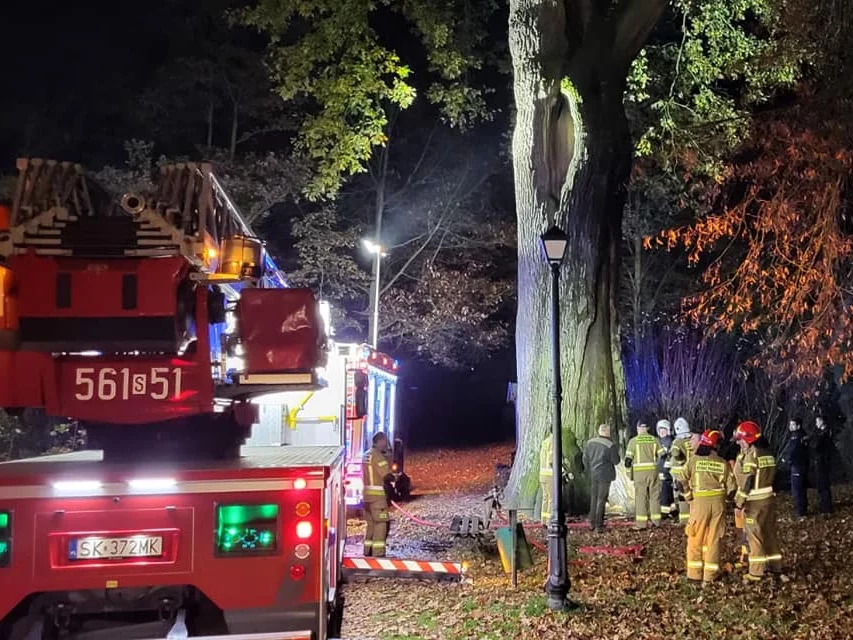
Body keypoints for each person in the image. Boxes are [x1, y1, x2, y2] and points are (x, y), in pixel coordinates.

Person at [682, 429, 736, 584]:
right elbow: (732, 489)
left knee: (695, 538)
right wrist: (730, 503)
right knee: (714, 539)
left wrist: (688, 496)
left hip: (700, 504)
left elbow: (681, 480)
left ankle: (694, 575)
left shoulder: (694, 460)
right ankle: (709, 577)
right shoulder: (722, 462)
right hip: (718, 505)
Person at [734, 420, 783, 582]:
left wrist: (739, 502)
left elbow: (748, 480)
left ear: (748, 439)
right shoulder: (767, 453)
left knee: (754, 536)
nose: (739, 442)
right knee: (769, 533)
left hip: (754, 502)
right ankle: (776, 566)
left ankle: (756, 572)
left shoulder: (752, 455)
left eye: (741, 439)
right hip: (769, 500)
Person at [625, 420, 665, 529]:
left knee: (641, 498)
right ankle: (656, 522)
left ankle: (642, 524)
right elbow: (663, 455)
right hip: (653, 472)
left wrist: (629, 474)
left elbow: (628, 461)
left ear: (638, 428)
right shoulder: (655, 440)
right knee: (654, 497)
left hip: (639, 473)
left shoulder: (633, 441)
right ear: (647, 428)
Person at [582, 424, 621, 531]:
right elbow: (616, 461)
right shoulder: (610, 445)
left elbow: (585, 459)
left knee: (594, 498)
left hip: (593, 474)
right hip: (605, 475)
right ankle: (599, 525)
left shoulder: (590, 443)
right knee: (601, 499)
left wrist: (588, 469)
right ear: (607, 432)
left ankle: (591, 522)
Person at [362, 432, 392, 557]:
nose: (386, 444)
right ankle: (378, 553)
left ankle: (367, 551)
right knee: (381, 523)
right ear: (379, 441)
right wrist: (395, 479)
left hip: (366, 497)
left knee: (371, 525)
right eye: (385, 442)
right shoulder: (378, 456)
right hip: (377, 497)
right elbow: (386, 476)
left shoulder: (366, 454)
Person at [780, 418, 809, 517]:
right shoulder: (803, 435)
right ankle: (802, 510)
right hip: (803, 465)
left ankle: (800, 512)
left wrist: (785, 459)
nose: (790, 427)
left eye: (793, 425)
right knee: (802, 489)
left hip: (797, 465)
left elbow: (792, 451)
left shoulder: (796, 437)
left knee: (797, 490)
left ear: (798, 426)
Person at [669, 417, 694, 525]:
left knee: (681, 495)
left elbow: (675, 453)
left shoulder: (677, 442)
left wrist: (681, 461)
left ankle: (684, 519)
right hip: (692, 471)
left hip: (679, 473)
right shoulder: (692, 440)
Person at [813, 415, 835, 514]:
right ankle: (825, 505)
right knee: (822, 485)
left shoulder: (824, 434)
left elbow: (819, 447)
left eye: (817, 421)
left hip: (823, 462)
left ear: (822, 422)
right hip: (822, 461)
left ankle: (826, 507)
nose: (816, 424)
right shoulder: (823, 433)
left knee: (823, 485)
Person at [656, 419, 676, 520]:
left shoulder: (668, 441)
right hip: (663, 470)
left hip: (666, 471)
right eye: (660, 430)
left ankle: (664, 513)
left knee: (664, 491)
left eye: (664, 430)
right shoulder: (663, 440)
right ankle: (672, 510)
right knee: (668, 491)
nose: (662, 432)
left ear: (668, 430)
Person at [539, 433, 553, 524]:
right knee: (552, 498)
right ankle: (549, 521)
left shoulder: (545, 442)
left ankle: (543, 520)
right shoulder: (553, 442)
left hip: (542, 474)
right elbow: (552, 460)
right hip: (550, 475)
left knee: (545, 498)